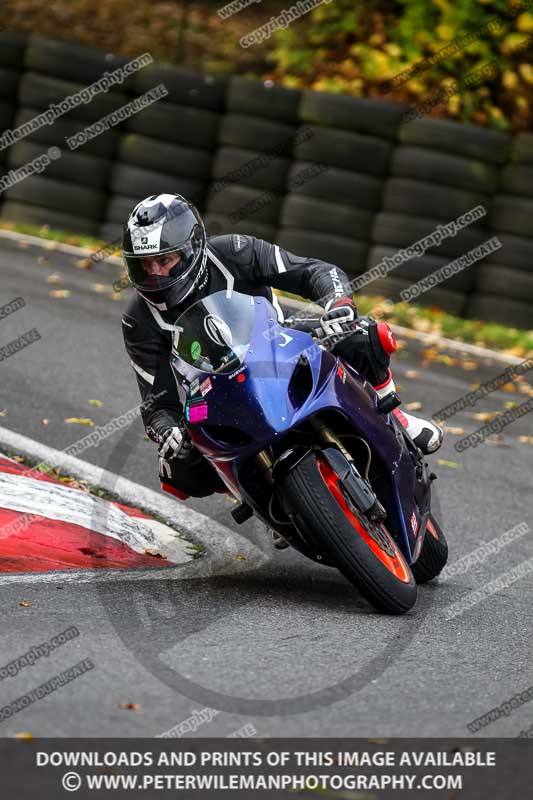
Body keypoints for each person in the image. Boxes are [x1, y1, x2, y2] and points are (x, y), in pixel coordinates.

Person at [121, 192, 443, 507]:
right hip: (213, 395)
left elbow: (315, 271)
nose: (156, 274)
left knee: (365, 335)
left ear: (192, 248)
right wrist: (166, 430)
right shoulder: (138, 319)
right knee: (177, 468)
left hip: (280, 345)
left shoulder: (234, 250)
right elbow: (157, 403)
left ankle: (396, 415)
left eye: (164, 261)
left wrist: (339, 304)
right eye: (144, 266)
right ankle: (256, 494)